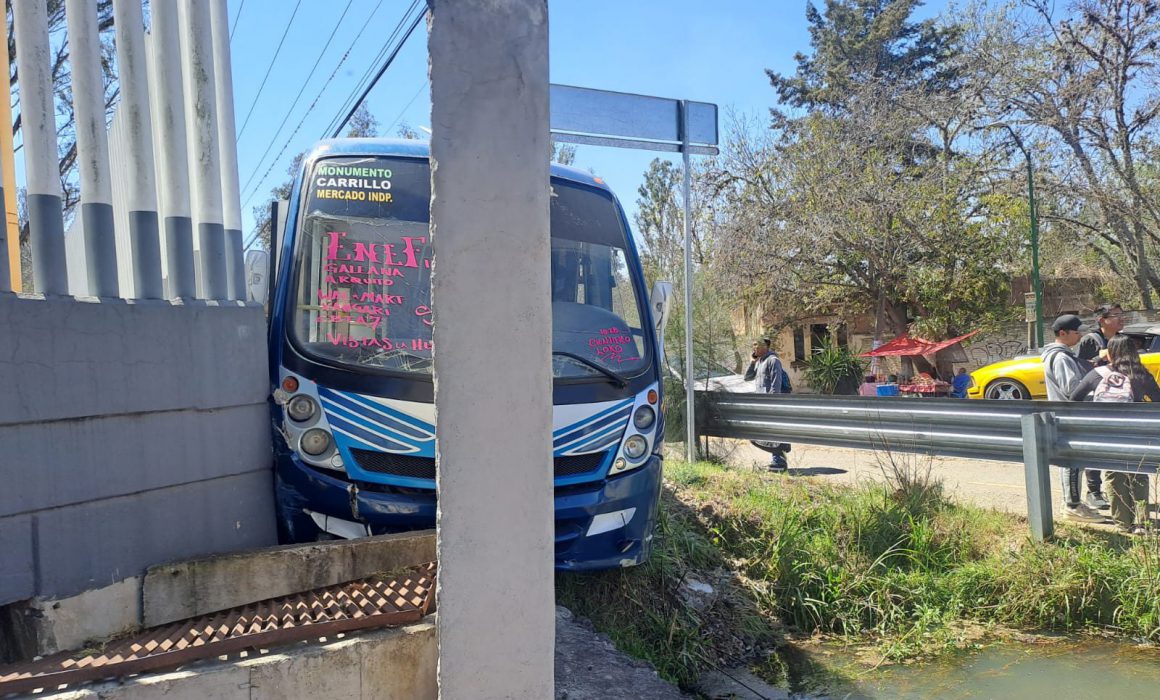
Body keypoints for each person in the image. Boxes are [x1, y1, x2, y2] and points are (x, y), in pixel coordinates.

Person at [1069, 335, 1160, 534]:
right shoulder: (1141, 375)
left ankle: (1122, 524)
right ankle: (1141, 523)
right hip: (1135, 434)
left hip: (1107, 434)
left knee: (1113, 475)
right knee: (1138, 476)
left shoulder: (1097, 374)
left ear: (1110, 353)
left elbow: (1074, 398)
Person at [1042, 314, 1105, 523]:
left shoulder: (1062, 355)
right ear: (1063, 333)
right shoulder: (1061, 358)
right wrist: (1092, 380)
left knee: (1072, 463)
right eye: (1077, 332)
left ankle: (1073, 502)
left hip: (1065, 415)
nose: (1080, 336)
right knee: (1072, 463)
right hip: (1067, 416)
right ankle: (1072, 506)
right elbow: (1071, 390)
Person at [1074, 303, 1125, 508]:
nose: (1122, 319)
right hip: (1096, 403)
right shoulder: (1091, 340)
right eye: (1116, 315)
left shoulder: (1122, 339)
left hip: (1120, 401)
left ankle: (1121, 492)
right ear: (1102, 320)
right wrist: (1100, 357)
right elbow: (1081, 369)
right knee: (1095, 446)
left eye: (1122, 315)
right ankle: (1094, 491)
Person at [744, 338, 790, 471]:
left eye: (756, 346)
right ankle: (777, 460)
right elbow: (747, 377)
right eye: (753, 346)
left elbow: (776, 384)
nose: (753, 348)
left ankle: (779, 461)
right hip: (762, 403)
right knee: (766, 433)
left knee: (774, 431)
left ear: (765, 347)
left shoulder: (773, 361)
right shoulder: (760, 362)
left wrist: (773, 403)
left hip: (771, 403)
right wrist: (752, 362)